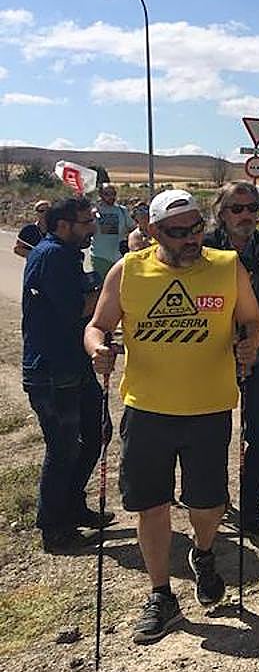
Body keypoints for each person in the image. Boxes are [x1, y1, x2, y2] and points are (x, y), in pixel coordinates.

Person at [85, 188, 259, 644]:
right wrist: (98, 350)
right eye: (178, 232)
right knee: (151, 504)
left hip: (209, 409)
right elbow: (96, 326)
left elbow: (254, 320)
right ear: (154, 231)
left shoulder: (227, 268)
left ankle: (204, 553)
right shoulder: (130, 271)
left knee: (208, 506)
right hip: (146, 410)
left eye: (197, 228)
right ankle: (161, 594)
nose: (191, 238)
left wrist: (251, 342)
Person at [204, 182, 259, 533]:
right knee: (213, 435)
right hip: (212, 359)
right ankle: (215, 501)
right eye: (237, 209)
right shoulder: (206, 248)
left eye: (252, 208)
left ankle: (252, 511)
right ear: (221, 213)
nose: (246, 215)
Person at [22, 197, 110, 552]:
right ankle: (54, 527)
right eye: (86, 221)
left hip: (74, 365)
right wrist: (108, 293)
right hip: (53, 371)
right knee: (63, 448)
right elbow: (79, 308)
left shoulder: (64, 253)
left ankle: (72, 506)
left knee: (95, 434)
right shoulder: (54, 256)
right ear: (63, 225)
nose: (92, 227)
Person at [92, 182, 134, 281]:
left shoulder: (122, 211)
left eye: (113, 194)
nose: (111, 197)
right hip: (100, 257)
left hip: (119, 257)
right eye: (107, 194)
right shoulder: (95, 211)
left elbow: (132, 228)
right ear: (101, 195)